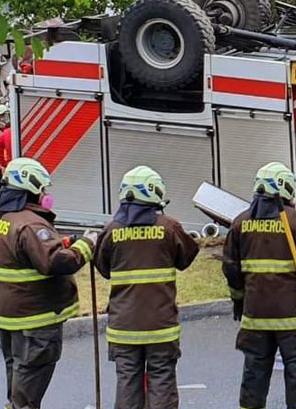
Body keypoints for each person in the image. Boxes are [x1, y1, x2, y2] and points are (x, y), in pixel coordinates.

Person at [0, 157, 97, 409]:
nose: (45, 194)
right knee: (30, 382)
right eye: (42, 189)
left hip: (10, 315)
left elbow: (22, 253)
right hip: (36, 318)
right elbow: (56, 262)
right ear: (31, 188)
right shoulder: (31, 224)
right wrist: (87, 245)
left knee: (17, 374)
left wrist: (62, 241)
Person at [222, 162, 296, 409]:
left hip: (255, 318)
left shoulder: (240, 223)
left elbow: (231, 268)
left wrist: (239, 301)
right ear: (286, 188)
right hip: (293, 319)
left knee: (254, 372)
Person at [94, 166, 199, 409]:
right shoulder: (169, 227)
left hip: (123, 327)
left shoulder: (111, 230)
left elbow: (103, 267)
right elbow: (187, 257)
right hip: (160, 326)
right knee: (161, 379)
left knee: (127, 382)